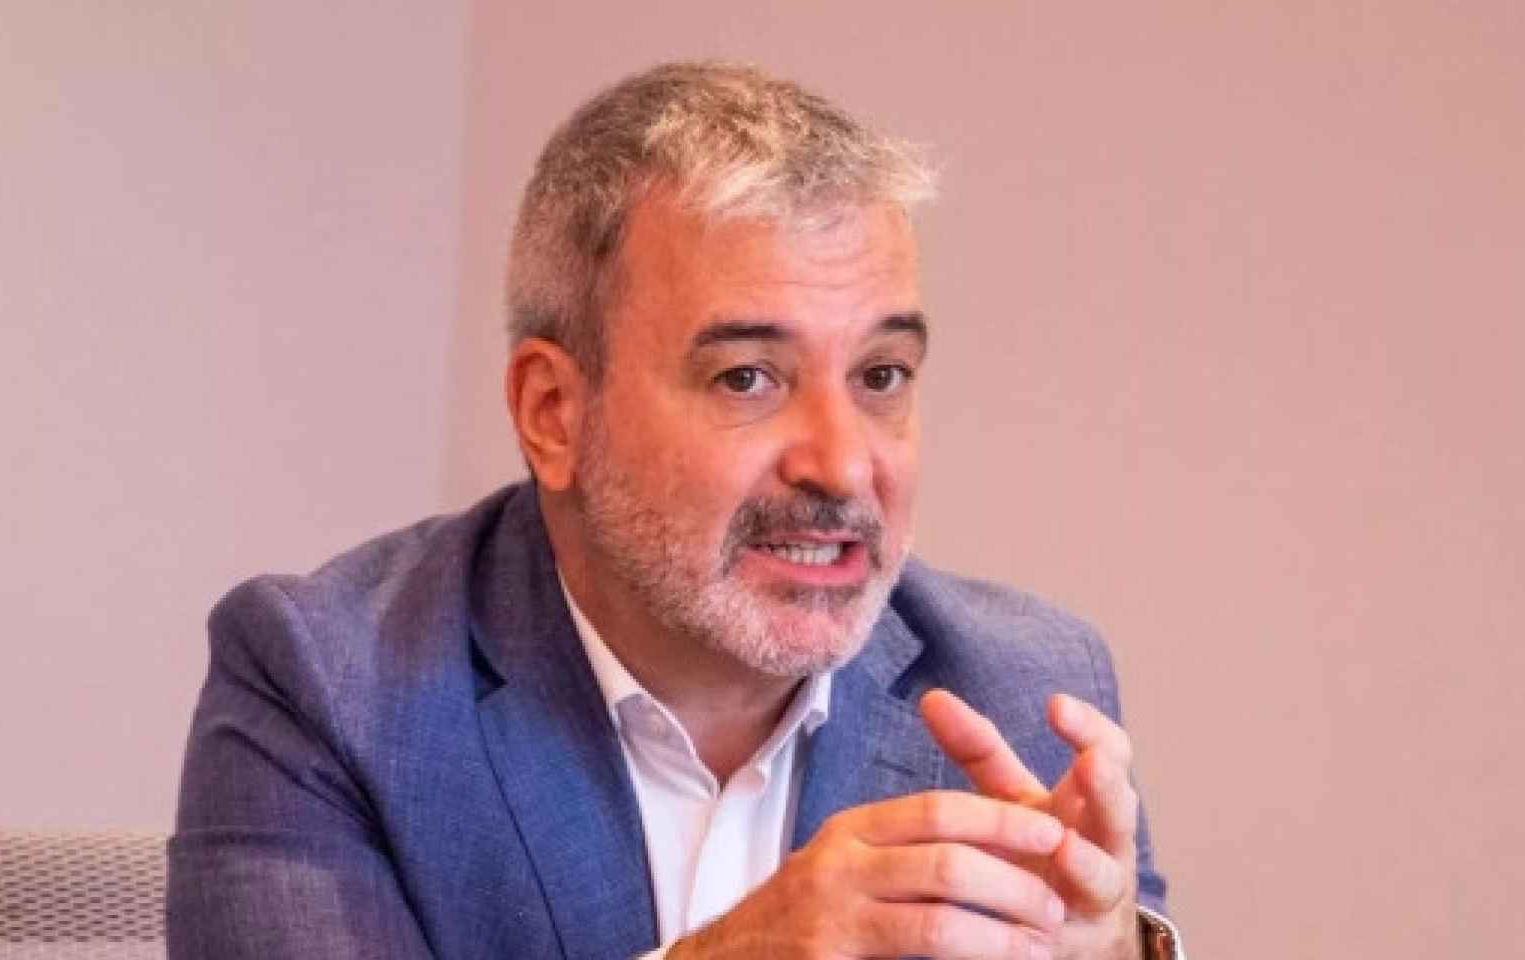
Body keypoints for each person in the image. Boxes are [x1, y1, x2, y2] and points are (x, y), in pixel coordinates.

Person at [168, 61, 1182, 960]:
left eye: (881, 375)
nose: (840, 465)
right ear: (554, 412)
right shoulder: (331, 684)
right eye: (747, 378)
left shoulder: (1022, 689)